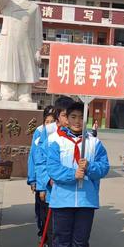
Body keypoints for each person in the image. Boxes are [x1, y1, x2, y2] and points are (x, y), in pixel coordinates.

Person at [47, 101, 109, 247]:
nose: (77, 121)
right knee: (62, 242)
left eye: (81, 117)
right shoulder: (55, 141)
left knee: (80, 242)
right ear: (66, 118)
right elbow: (53, 168)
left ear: (87, 120)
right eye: (73, 117)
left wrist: (90, 167)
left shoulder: (94, 143)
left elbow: (104, 167)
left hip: (86, 201)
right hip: (62, 200)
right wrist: (72, 174)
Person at [28, 97, 74, 238]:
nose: (69, 120)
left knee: (69, 228)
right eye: (65, 115)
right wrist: (42, 184)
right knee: (51, 225)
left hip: (72, 189)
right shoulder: (47, 131)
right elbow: (39, 159)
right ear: (58, 116)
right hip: (51, 187)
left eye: (71, 115)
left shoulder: (81, 132)